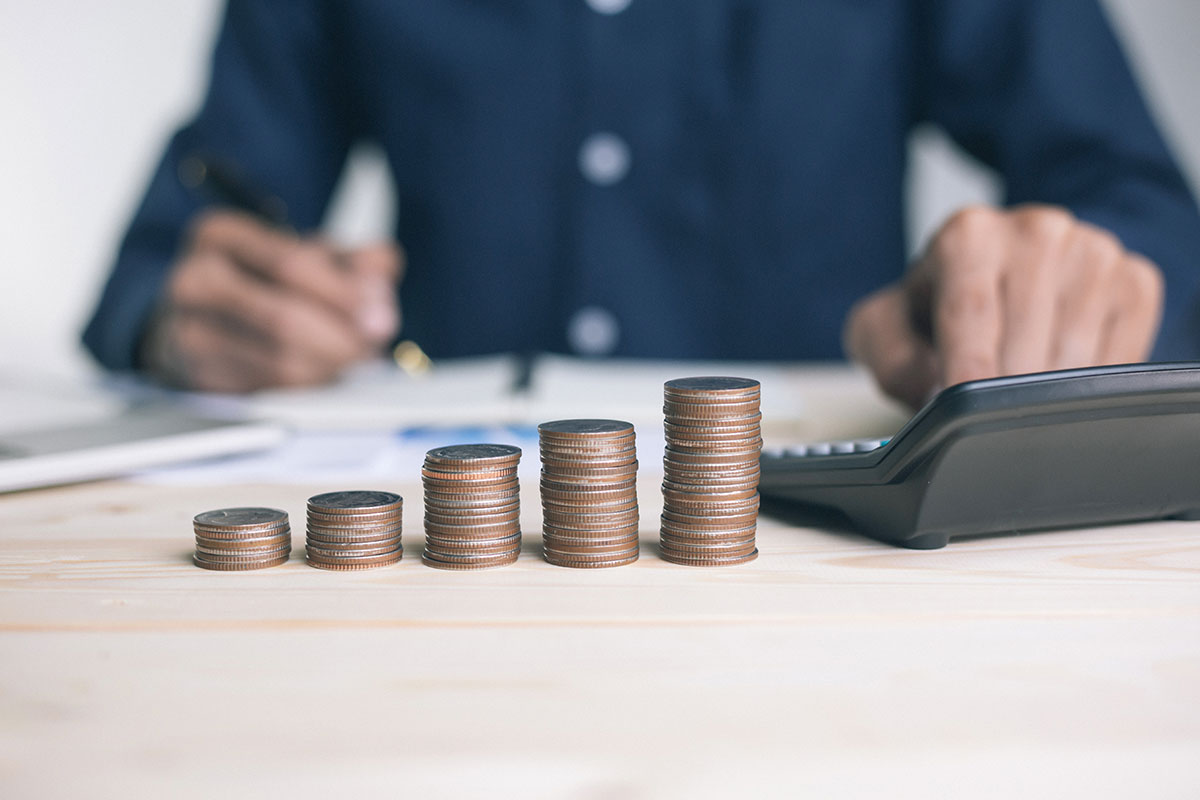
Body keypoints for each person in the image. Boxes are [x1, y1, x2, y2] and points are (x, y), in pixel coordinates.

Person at [83, 0, 1200, 408]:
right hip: (453, 589)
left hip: (834, 606)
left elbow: (1137, 202)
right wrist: (182, 318)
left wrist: (1080, 289)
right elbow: (167, 256)